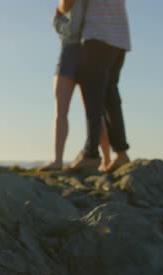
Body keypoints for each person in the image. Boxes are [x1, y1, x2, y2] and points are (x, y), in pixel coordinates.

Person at [60, 0, 132, 172]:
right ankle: (121, 153)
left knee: (93, 98)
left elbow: (67, 4)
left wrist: (59, 8)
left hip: (97, 37)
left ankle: (91, 153)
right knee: (110, 96)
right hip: (120, 39)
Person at [39, 0, 111, 172]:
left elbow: (71, 29)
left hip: (72, 51)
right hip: (87, 52)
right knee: (93, 112)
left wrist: (57, 19)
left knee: (66, 111)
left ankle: (58, 160)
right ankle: (107, 159)